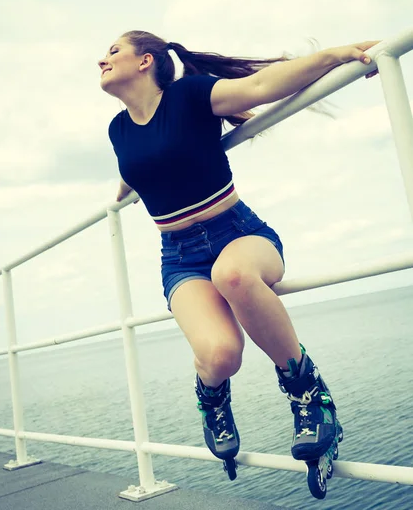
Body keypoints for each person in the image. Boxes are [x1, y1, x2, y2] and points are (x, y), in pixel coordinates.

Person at [99, 30, 376, 475]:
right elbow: (139, 169)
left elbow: (263, 87)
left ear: (146, 60)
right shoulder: (118, 130)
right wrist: (116, 201)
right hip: (180, 256)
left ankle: (308, 395)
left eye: (113, 52)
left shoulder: (189, 96)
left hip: (239, 233)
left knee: (233, 275)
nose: (102, 61)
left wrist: (337, 55)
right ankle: (212, 399)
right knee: (221, 355)